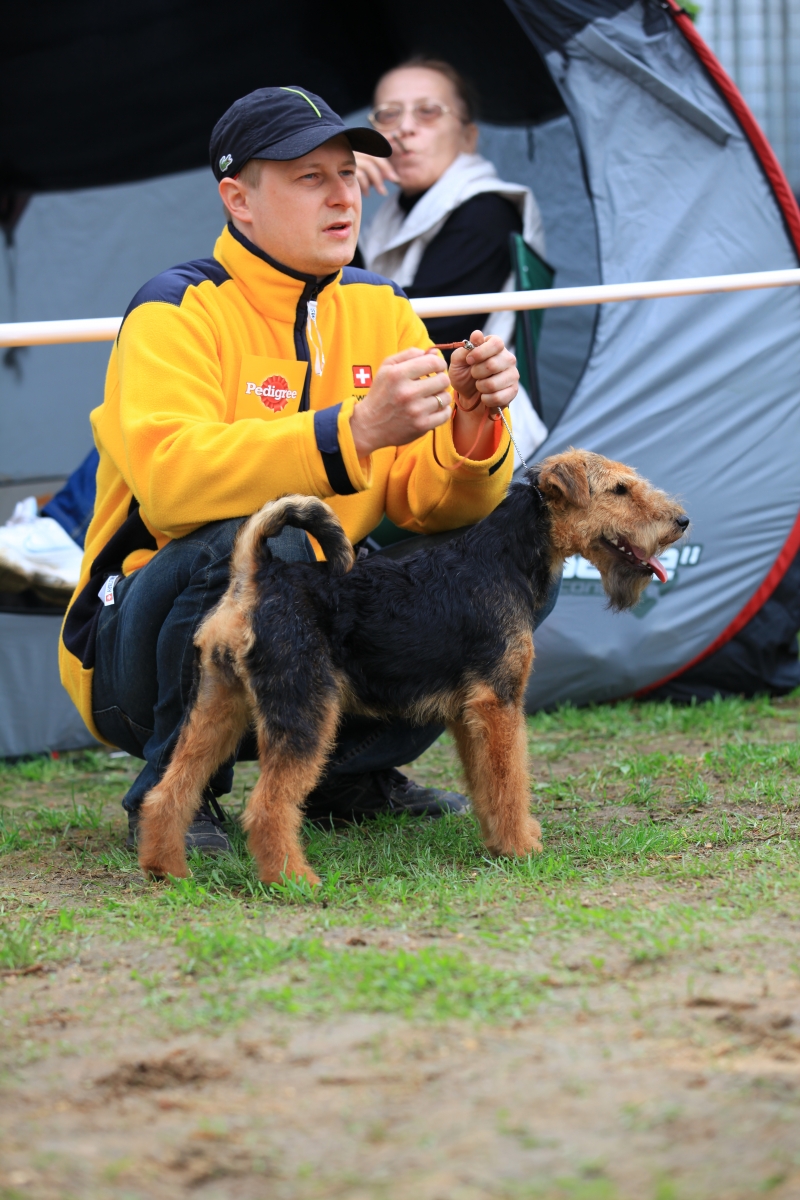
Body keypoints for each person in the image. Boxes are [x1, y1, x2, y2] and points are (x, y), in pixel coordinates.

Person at [356, 58, 548, 469]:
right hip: (406, 424)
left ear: (468, 137)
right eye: (388, 114)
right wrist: (335, 188)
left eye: (427, 111)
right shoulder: (387, 220)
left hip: (472, 442)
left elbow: (421, 335)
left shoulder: (486, 212)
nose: (403, 128)